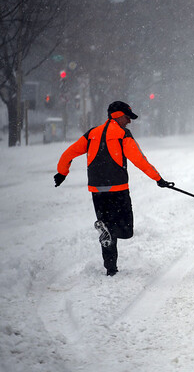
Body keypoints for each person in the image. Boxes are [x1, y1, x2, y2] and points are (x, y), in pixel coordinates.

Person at [53, 101, 174, 276]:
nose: (129, 121)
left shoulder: (92, 134)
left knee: (106, 228)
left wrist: (62, 172)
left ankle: (111, 267)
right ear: (118, 115)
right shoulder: (122, 134)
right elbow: (139, 160)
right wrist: (158, 179)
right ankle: (111, 234)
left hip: (97, 190)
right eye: (127, 117)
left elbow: (69, 153)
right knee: (125, 228)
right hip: (118, 189)